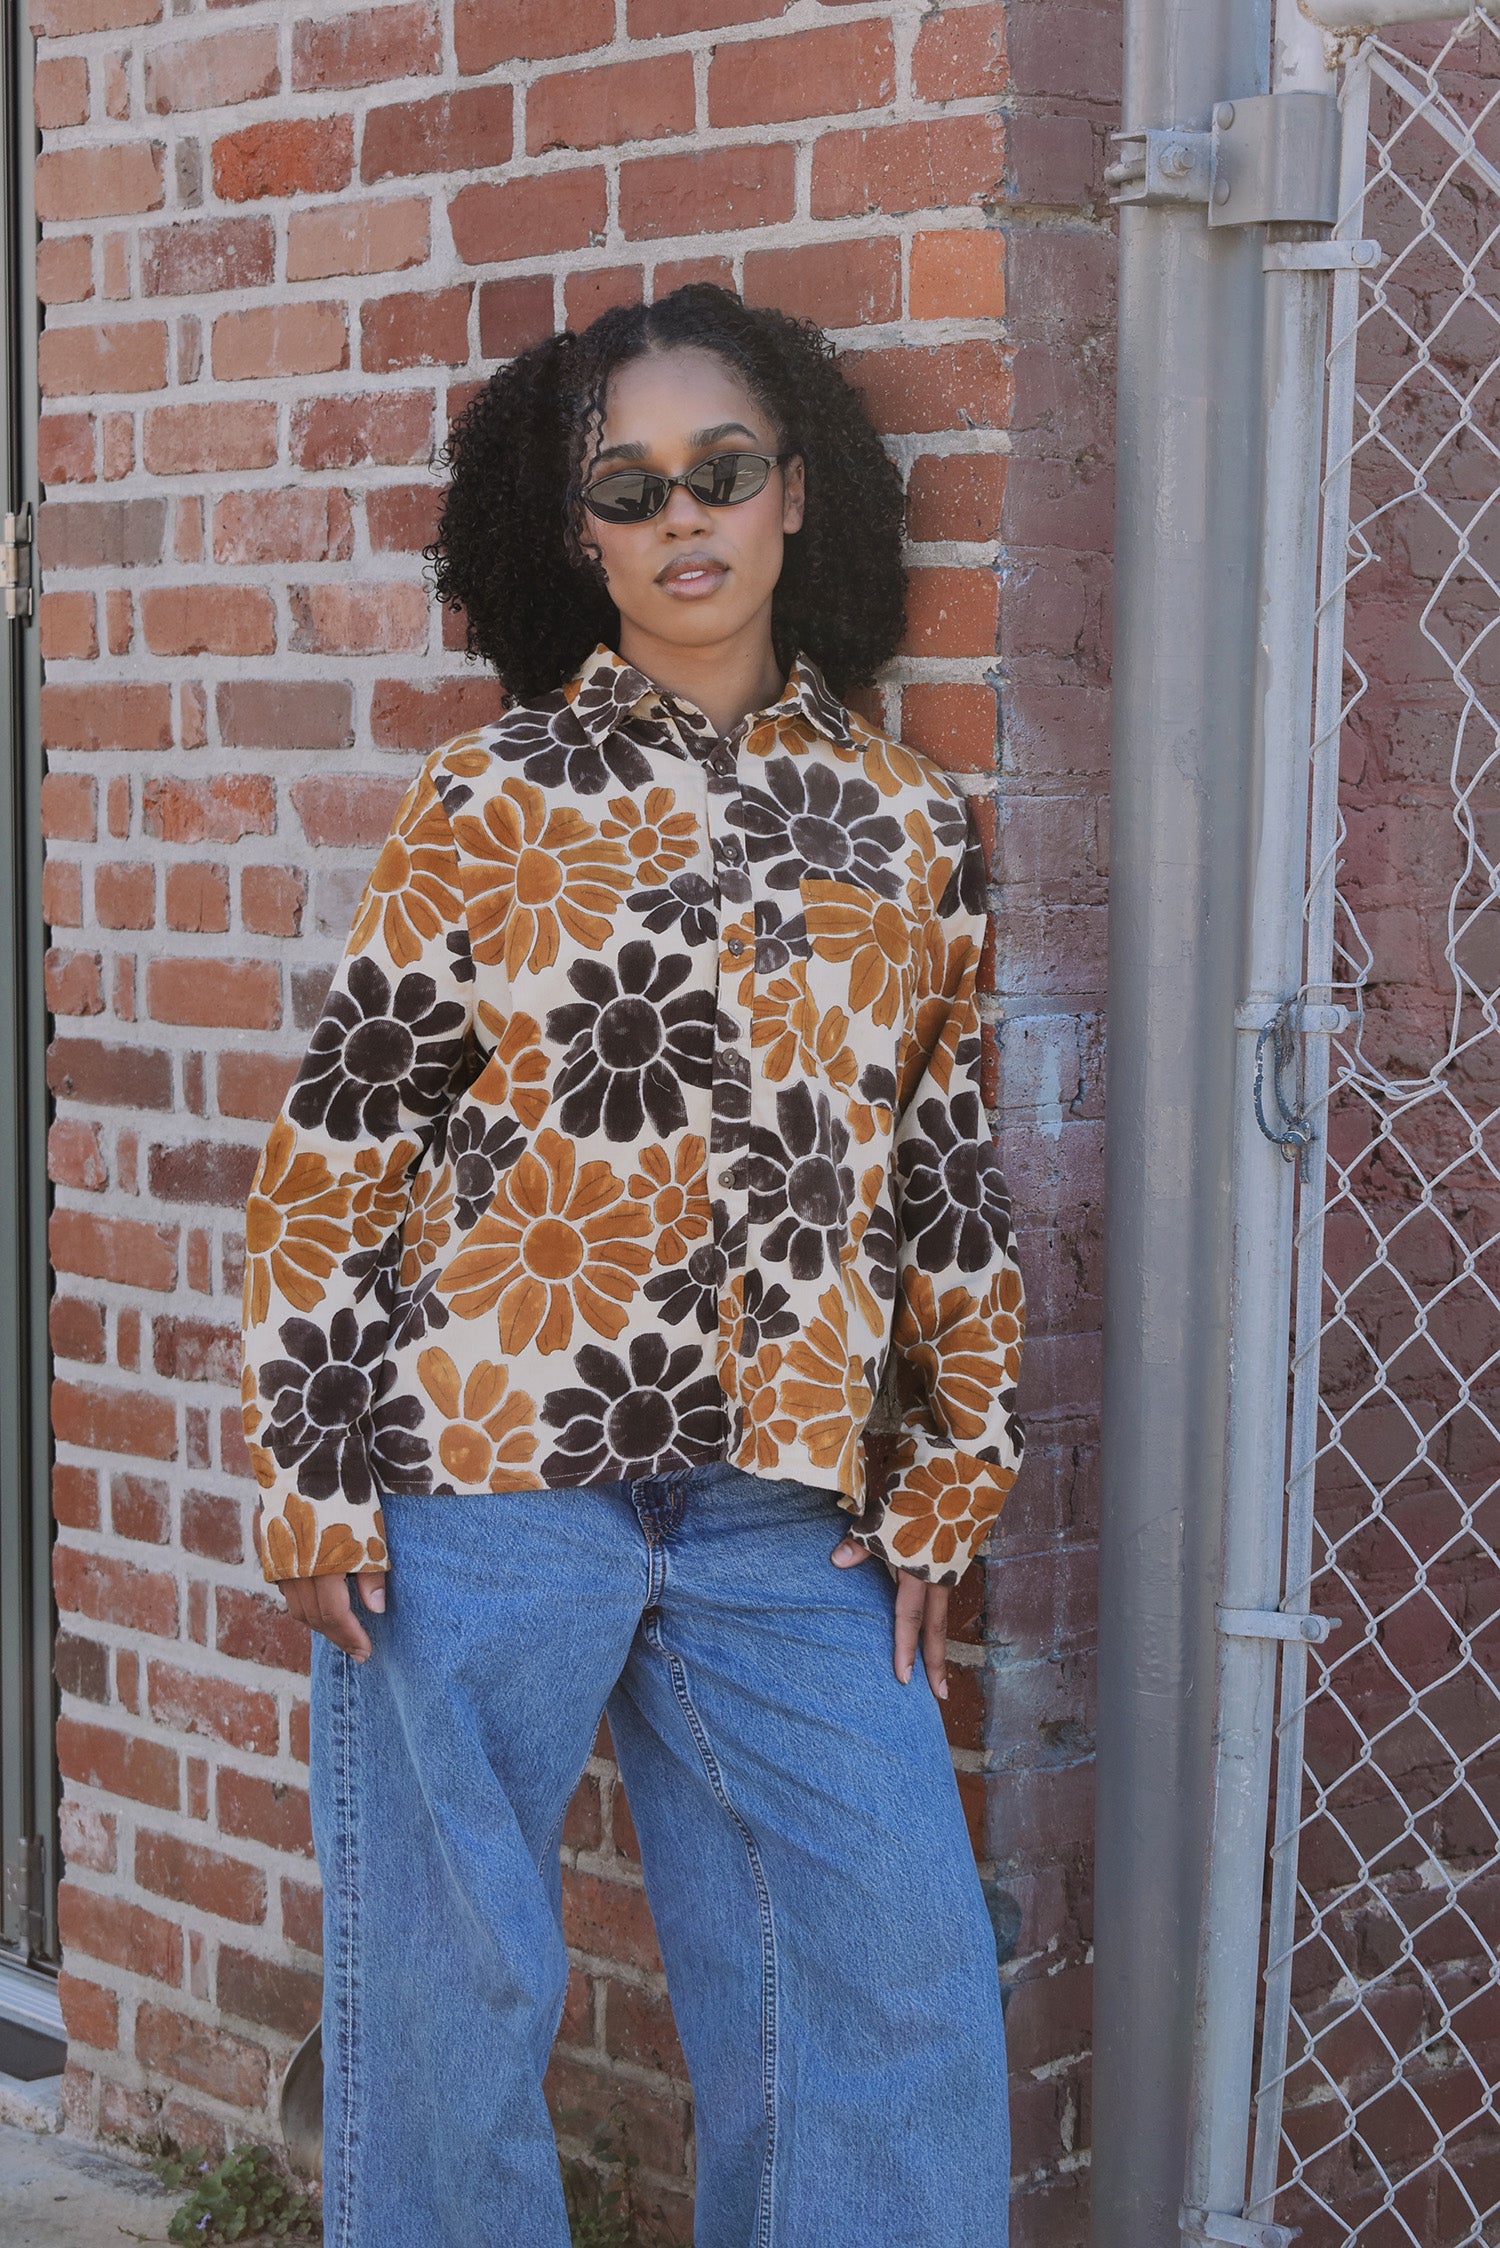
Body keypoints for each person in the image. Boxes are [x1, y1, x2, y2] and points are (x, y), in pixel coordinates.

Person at [239, 282, 1025, 2248]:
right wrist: (310, 1451)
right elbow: (349, 1131)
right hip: (486, 1475)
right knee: (454, 2000)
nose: (683, 513)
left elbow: (937, 1162)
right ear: (578, 528)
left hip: (791, 1507)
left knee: (898, 1977)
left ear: (797, 496)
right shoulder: (490, 798)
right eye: (631, 483)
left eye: (722, 469)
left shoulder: (917, 826)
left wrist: (943, 1470)